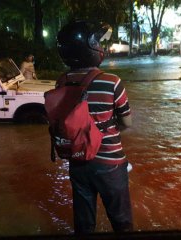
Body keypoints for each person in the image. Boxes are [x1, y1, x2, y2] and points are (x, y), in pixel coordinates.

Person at [56, 20, 133, 234]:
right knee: (122, 222)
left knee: (84, 224)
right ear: (90, 47)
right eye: (97, 42)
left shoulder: (61, 82)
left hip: (77, 160)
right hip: (109, 163)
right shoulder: (111, 81)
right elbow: (127, 123)